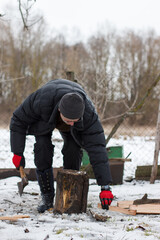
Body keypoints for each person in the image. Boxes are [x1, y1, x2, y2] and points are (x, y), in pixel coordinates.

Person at [10, 79, 113, 213]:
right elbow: (18, 120)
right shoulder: (41, 101)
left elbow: (98, 148)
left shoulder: (88, 114)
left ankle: (69, 191)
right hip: (44, 119)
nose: (71, 124)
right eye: (68, 120)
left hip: (68, 115)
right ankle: (47, 196)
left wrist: (105, 186)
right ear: (59, 110)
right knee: (42, 147)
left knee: (73, 148)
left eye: (74, 121)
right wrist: (17, 152)